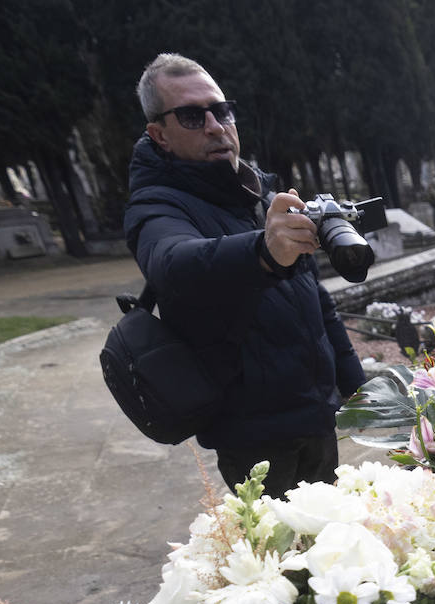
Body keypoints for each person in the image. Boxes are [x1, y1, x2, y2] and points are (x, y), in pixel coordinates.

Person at [124, 53, 364, 496]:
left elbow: (316, 299)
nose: (215, 126)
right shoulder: (156, 204)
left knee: (335, 547)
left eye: (221, 110)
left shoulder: (260, 196)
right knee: (280, 560)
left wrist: (358, 386)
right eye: (193, 116)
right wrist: (264, 250)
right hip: (252, 435)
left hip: (316, 417)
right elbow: (173, 264)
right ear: (159, 134)